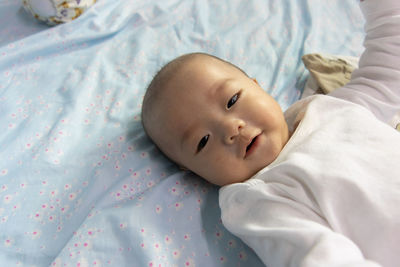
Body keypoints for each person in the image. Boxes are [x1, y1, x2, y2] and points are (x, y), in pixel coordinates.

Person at [141, 0, 400, 266]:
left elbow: (389, 64)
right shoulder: (257, 199)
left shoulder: (331, 108)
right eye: (202, 141)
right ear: (192, 171)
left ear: (257, 85)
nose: (231, 129)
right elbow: (317, 256)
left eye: (232, 100)